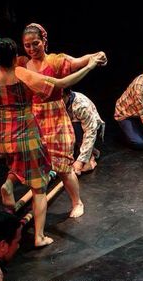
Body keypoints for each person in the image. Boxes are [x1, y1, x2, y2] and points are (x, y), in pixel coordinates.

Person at [0, 36, 101, 246]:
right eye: (26, 46)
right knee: (39, 187)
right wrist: (90, 66)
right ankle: (38, 236)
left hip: (3, 135)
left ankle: (9, 185)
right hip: (25, 131)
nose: (31, 48)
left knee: (22, 166)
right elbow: (62, 83)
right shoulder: (22, 72)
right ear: (17, 54)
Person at [21, 23, 107, 218]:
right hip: (36, 117)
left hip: (56, 115)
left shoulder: (55, 61)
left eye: (35, 44)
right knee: (38, 166)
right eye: (27, 45)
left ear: (44, 41)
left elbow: (78, 61)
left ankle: (77, 202)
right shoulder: (24, 65)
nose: (32, 49)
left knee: (62, 166)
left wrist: (95, 56)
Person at [63, 90, 105, 175]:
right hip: (69, 127)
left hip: (89, 128)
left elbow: (90, 131)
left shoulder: (81, 105)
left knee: (84, 166)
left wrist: (80, 161)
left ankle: (89, 156)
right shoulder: (53, 103)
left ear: (67, 95)